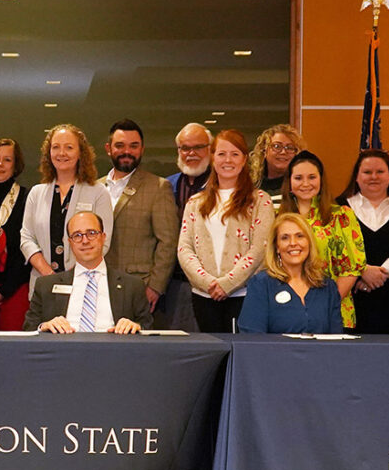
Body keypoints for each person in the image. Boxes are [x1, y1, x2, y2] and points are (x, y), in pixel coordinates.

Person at [177, 129, 275, 332]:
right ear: (212, 158)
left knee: (239, 355)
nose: (227, 160)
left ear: (244, 160)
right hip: (203, 295)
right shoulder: (196, 202)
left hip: (244, 296)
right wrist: (208, 283)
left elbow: (259, 249)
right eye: (221, 154)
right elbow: (184, 249)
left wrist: (228, 284)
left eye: (235, 154)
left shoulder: (260, 201)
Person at [275, 151, 365, 327]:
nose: (305, 183)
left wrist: (323, 306)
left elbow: (352, 269)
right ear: (290, 183)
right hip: (288, 312)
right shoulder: (278, 218)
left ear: (321, 180)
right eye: (299, 178)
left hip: (334, 311)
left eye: (312, 177)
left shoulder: (341, 216)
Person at [102, 119, 178, 322]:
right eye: (120, 145)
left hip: (139, 287)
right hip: (98, 286)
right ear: (109, 149)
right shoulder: (93, 187)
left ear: (142, 149)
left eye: (133, 146)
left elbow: (168, 242)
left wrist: (155, 287)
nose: (127, 151)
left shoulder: (158, 187)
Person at [23, 211, 150, 334]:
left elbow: (148, 328)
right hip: (63, 352)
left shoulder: (132, 286)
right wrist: (44, 327)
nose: (85, 241)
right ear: (69, 242)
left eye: (91, 233)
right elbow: (29, 329)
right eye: (77, 235)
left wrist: (136, 327)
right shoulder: (46, 285)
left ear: (103, 237)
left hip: (114, 352)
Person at [20, 124, 114, 285]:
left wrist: (70, 277)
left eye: (69, 147)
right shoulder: (36, 193)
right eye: (56, 147)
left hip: (84, 283)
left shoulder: (99, 192)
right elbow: (26, 239)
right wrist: (49, 275)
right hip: (42, 283)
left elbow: (102, 242)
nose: (61, 153)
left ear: (81, 153)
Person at [338, 150, 389, 334]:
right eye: (367, 172)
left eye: (380, 172)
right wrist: (362, 271)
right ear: (356, 176)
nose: (374, 177)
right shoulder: (338, 208)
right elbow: (334, 251)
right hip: (351, 301)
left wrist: (385, 272)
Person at [238, 212, 343, 334]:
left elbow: (336, 339)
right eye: (285, 238)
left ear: (309, 242)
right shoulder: (261, 285)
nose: (293, 243)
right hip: (274, 353)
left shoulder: (327, 287)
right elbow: (252, 339)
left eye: (300, 236)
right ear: (277, 246)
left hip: (321, 353)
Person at [160, 123, 213, 332]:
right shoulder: (167, 185)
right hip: (174, 284)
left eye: (198, 147)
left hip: (212, 285)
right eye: (185, 148)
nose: (191, 153)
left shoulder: (222, 187)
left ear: (210, 148)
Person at [0, 139, 33, 332]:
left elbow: (28, 248)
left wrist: (5, 290)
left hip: (16, 288)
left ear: (15, 165)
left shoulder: (29, 198)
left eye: (7, 160)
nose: (0, 164)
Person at [250, 124, 304, 200]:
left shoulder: (301, 188)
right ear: (264, 150)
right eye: (277, 146)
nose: (283, 152)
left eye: (290, 148)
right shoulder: (248, 185)